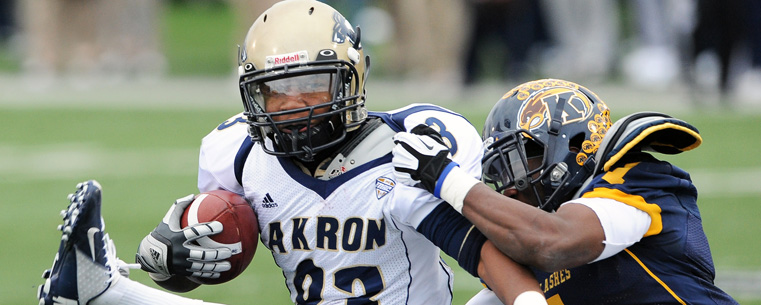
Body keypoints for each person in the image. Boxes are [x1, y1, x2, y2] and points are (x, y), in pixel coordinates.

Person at [37, 1, 549, 304]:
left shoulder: (411, 146)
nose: (294, 104)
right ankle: (105, 288)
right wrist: (172, 258)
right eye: (276, 90)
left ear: (352, 77)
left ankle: (107, 292)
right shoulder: (237, 154)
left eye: (311, 84)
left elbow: (491, 245)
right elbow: (211, 252)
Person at [391, 78, 740, 304]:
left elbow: (553, 241)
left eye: (518, 163)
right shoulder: (525, 245)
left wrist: (444, 179)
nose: (509, 190)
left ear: (573, 145)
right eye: (499, 173)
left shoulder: (637, 180)